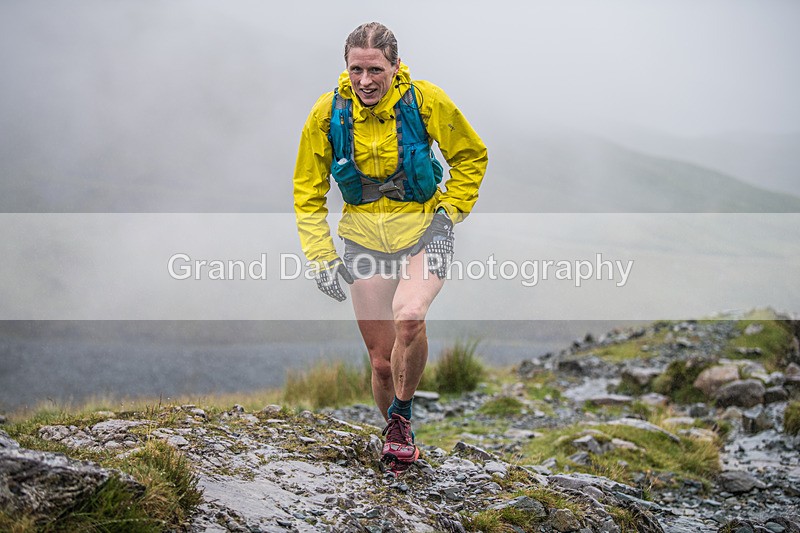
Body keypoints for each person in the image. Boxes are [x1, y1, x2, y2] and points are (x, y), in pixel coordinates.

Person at [292, 22, 487, 471]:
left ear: (395, 66)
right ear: (346, 68)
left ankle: (400, 416)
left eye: (375, 70)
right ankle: (397, 432)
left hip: (424, 232)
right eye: (356, 70)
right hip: (362, 240)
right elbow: (307, 191)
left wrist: (448, 214)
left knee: (410, 316)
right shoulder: (327, 114)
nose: (365, 81)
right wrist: (321, 257)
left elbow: (471, 156)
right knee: (381, 363)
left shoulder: (425, 101)